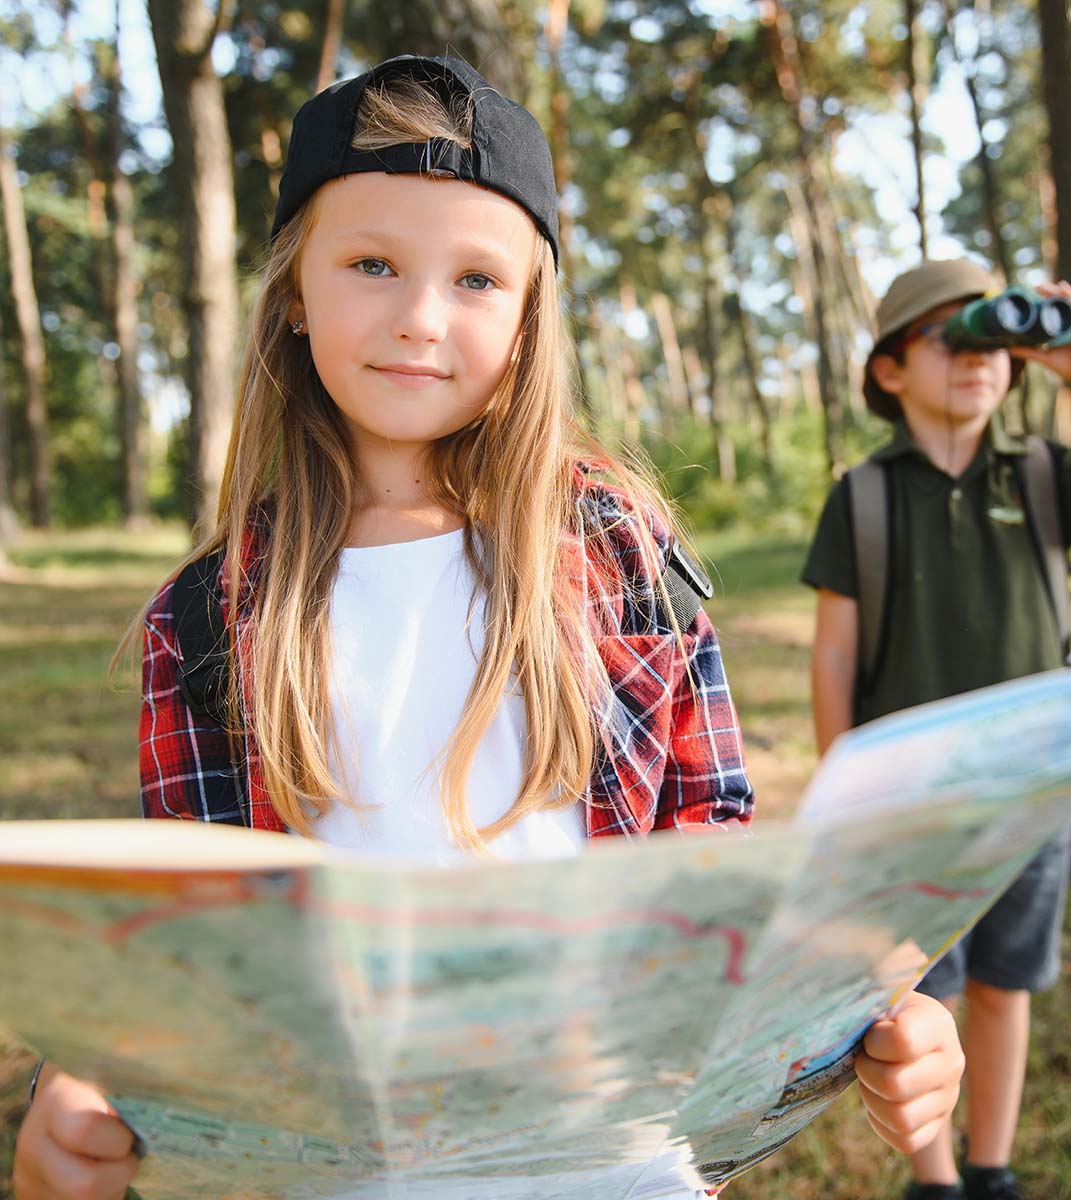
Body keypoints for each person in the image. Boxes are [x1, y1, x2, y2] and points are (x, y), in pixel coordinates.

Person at [13, 58, 965, 1200]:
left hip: (614, 1163)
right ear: (294, 293)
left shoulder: (619, 547)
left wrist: (867, 1008)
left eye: (476, 279)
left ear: (527, 316)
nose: (421, 318)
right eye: (372, 264)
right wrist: (81, 1086)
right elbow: (192, 958)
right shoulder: (210, 616)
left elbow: (710, 851)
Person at [803, 257, 1071, 1200]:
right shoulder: (863, 494)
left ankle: (993, 1169)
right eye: (950, 338)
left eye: (994, 341)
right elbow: (830, 659)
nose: (979, 358)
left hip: (1036, 792)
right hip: (910, 808)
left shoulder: (1044, 474)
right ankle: (934, 1178)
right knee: (912, 995)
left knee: (1004, 982)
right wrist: (839, 800)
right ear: (890, 371)